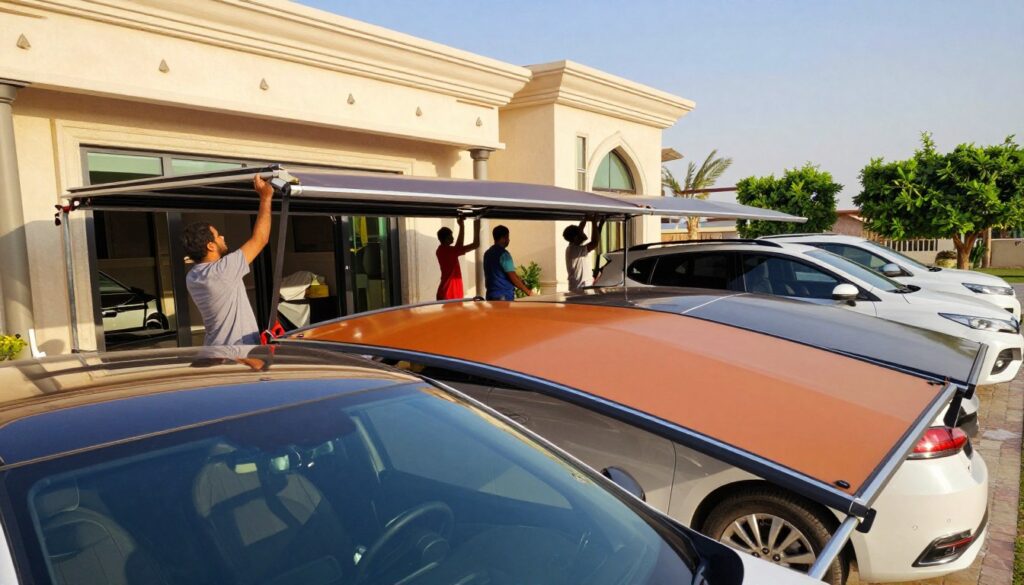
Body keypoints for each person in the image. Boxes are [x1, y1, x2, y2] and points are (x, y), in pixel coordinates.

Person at [182, 175, 273, 345]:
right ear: (211, 246)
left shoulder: (193, 276)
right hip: (236, 354)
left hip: (215, 349)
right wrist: (266, 197)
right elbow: (260, 239)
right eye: (218, 236)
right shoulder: (222, 271)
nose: (222, 237)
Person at [436, 216, 481, 300]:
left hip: (448, 293)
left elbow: (475, 244)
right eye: (450, 236)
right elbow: (469, 245)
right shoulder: (447, 251)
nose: (453, 238)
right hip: (449, 294)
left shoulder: (442, 250)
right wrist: (462, 225)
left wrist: (476, 221)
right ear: (446, 239)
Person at [483, 225, 533, 301]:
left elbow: (507, 273)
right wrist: (528, 292)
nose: (509, 240)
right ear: (503, 238)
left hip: (490, 295)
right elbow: (512, 276)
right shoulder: (504, 254)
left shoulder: (487, 253)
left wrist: (519, 279)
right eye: (508, 237)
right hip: (504, 296)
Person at [563, 215, 605, 291]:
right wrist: (593, 222)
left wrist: (585, 219)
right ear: (576, 238)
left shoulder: (572, 247)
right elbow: (595, 243)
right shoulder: (575, 250)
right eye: (581, 232)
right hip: (581, 289)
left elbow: (580, 229)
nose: (584, 233)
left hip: (580, 287)